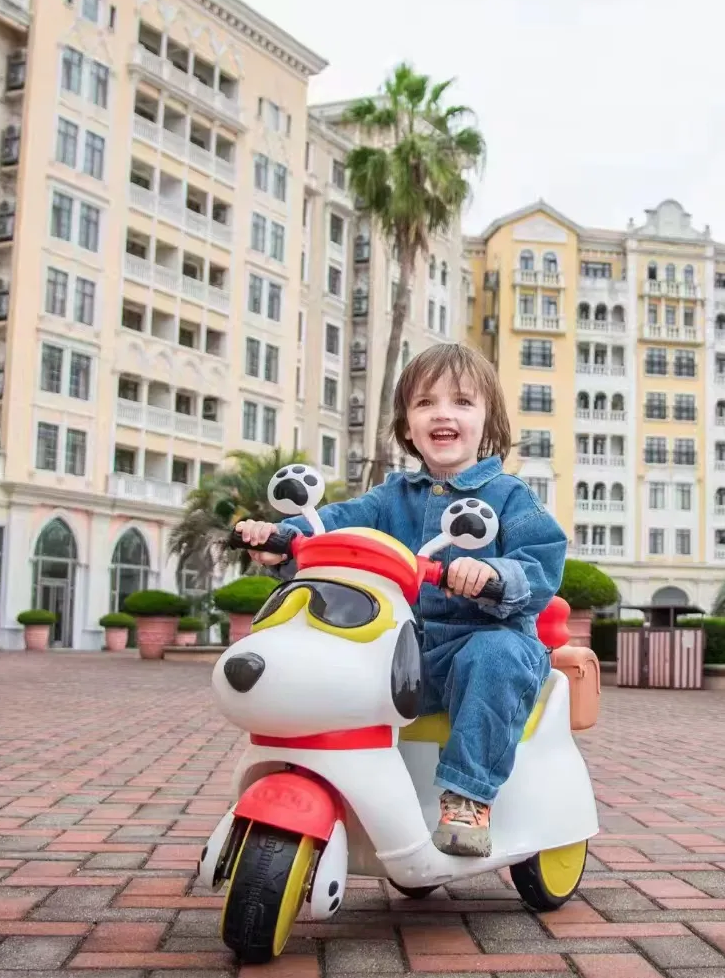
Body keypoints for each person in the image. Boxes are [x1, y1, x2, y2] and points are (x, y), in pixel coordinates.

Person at [235, 342, 567, 857]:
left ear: (488, 420)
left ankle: (467, 796)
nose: (443, 413)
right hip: (406, 651)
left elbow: (540, 563)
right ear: (407, 425)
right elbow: (337, 524)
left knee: (495, 656)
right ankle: (322, 779)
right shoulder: (392, 496)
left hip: (482, 643)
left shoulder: (508, 497)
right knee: (334, 657)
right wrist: (283, 536)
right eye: (425, 403)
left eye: (462, 401)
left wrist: (492, 574)